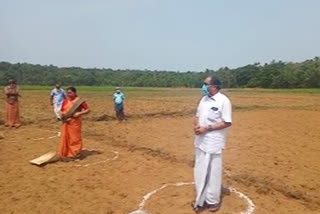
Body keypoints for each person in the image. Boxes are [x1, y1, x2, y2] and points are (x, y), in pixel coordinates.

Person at [193, 76, 232, 212]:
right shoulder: (204, 99)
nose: (203, 87)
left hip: (213, 142)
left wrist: (207, 128)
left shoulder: (224, 101)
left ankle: (212, 201)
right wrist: (197, 126)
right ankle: (200, 199)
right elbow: (197, 115)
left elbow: (227, 122)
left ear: (214, 86)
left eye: (205, 84)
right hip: (200, 141)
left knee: (212, 173)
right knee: (200, 170)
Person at [58, 87, 90, 160]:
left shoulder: (79, 101)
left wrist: (79, 113)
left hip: (75, 122)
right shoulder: (65, 101)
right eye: (67, 93)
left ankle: (75, 154)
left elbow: (88, 110)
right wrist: (62, 114)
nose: (68, 94)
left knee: (75, 138)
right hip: (66, 122)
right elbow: (61, 110)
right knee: (66, 137)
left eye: (70, 92)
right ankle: (66, 153)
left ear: (75, 93)